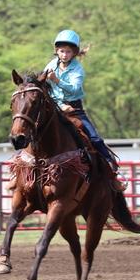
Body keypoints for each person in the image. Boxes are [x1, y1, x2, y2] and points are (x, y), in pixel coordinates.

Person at [43, 29, 119, 173]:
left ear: (74, 53)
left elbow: (74, 89)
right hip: (54, 106)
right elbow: (43, 82)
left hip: (75, 110)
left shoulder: (78, 69)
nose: (64, 55)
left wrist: (56, 80)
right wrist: (59, 104)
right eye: (62, 51)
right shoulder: (51, 65)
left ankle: (110, 163)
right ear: (57, 51)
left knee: (94, 137)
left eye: (68, 52)